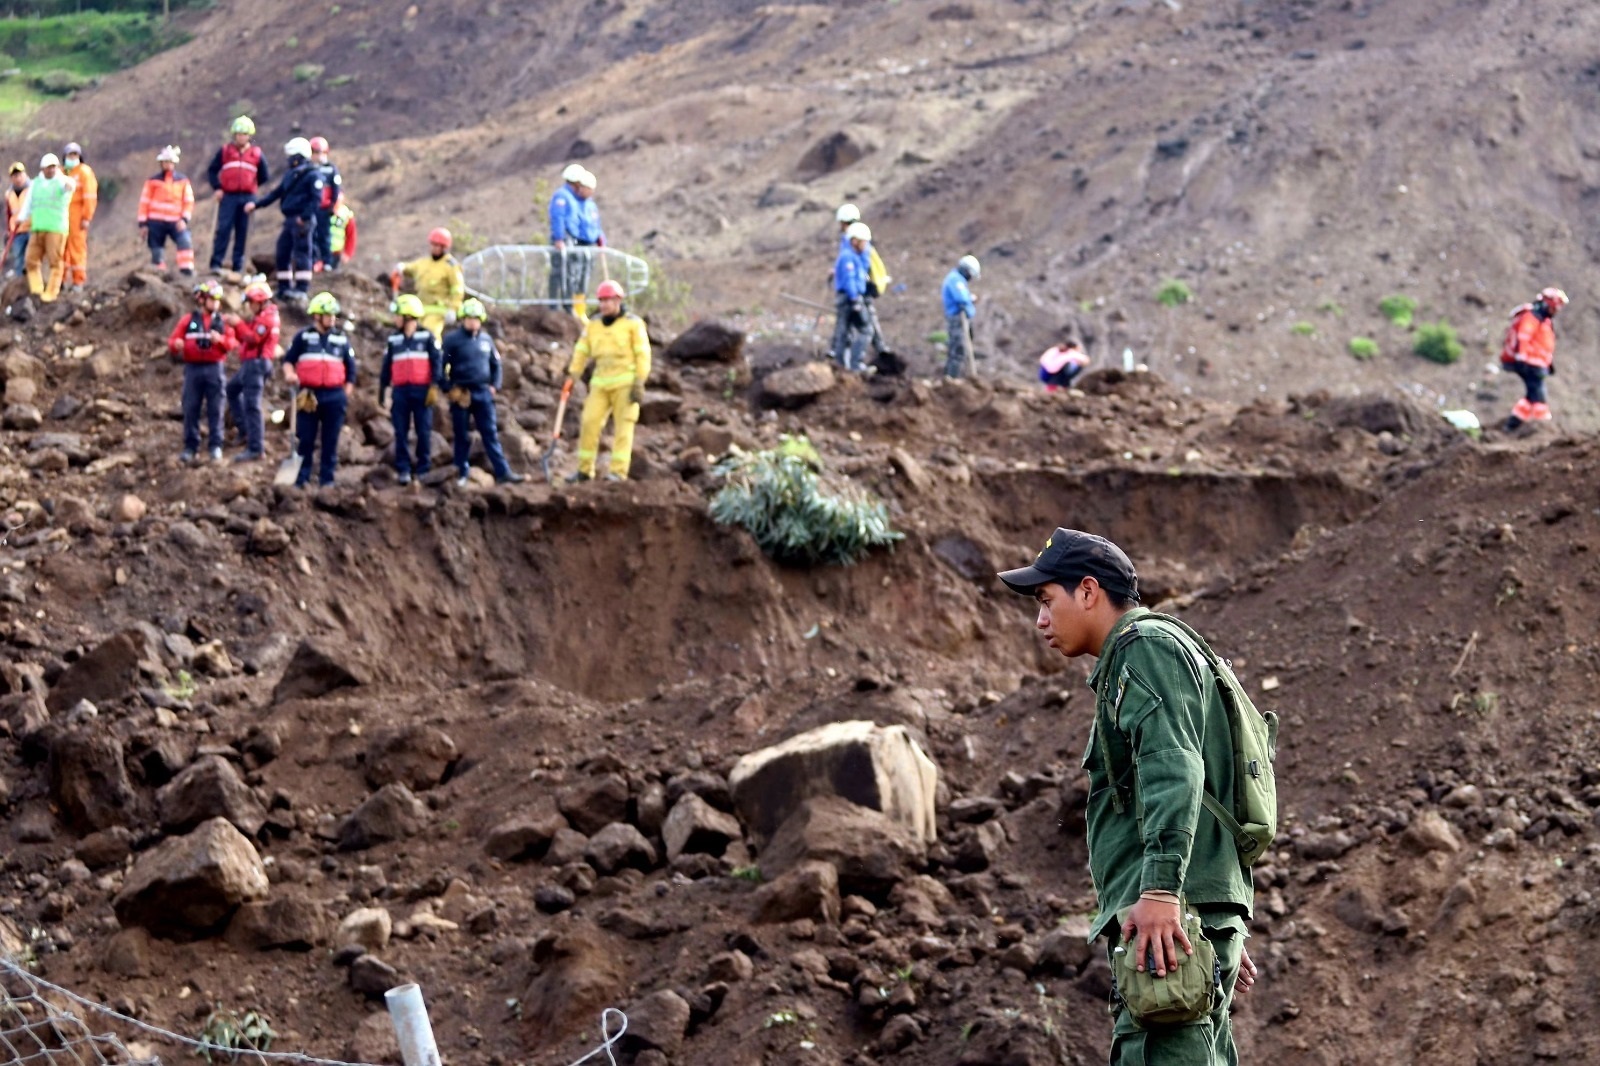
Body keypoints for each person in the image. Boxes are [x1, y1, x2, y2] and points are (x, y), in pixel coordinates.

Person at [997, 528, 1258, 1065]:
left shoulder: (1143, 650)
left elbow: (1175, 771)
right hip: (1189, 917)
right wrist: (1209, 915)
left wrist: (1165, 895)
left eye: (1047, 601)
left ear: (1088, 592)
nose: (1040, 620)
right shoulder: (1154, 652)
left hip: (1172, 918)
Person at [566, 278, 650, 482]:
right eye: (601, 300)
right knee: (589, 422)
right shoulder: (593, 325)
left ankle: (618, 472)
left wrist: (640, 380)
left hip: (626, 383)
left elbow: (643, 354)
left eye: (608, 300)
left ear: (618, 301)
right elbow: (581, 350)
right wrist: (573, 375)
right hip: (600, 383)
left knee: (624, 427)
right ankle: (585, 471)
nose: (604, 304)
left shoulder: (633, 324)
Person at [440, 298, 523, 486]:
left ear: (481, 319)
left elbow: (496, 365)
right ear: (463, 319)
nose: (472, 321)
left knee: (490, 433)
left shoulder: (486, 340)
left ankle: (503, 472)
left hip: (483, 393)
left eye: (476, 318)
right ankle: (460, 472)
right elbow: (441, 365)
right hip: (461, 393)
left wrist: (495, 385)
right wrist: (447, 387)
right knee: (461, 435)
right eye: (469, 318)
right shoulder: (453, 341)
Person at [280, 291, 356, 488]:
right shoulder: (303, 338)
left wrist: (344, 396)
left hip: (334, 396)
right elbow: (288, 361)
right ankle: (301, 478)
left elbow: (351, 371)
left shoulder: (341, 339)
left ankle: (327, 479)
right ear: (317, 315)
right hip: (308, 395)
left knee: (330, 441)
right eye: (328, 315)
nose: (332, 319)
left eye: (333, 315)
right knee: (305, 439)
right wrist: (290, 375)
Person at [245, 137, 324, 305]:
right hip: (289, 220)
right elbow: (276, 193)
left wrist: (304, 217)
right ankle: (284, 287)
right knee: (282, 253)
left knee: (302, 254)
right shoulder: (290, 175)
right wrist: (257, 205)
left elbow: (316, 200)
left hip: (302, 221)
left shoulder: (313, 175)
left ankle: (301, 288)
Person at [167, 280, 237, 463]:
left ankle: (216, 446)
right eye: (212, 299)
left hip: (215, 368)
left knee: (216, 408)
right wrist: (177, 345)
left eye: (218, 300)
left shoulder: (222, 322)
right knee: (190, 408)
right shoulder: (188, 320)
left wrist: (220, 340)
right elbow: (172, 341)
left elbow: (232, 344)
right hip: (193, 369)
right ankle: (191, 447)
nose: (216, 303)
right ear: (202, 300)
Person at [378, 294, 441, 485]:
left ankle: (423, 468)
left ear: (408, 317)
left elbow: (437, 362)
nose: (395, 319)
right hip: (401, 391)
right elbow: (386, 366)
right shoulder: (393, 340)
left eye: (398, 315)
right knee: (400, 431)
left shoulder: (427, 337)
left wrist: (434, 385)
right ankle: (403, 468)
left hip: (422, 390)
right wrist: (382, 389)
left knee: (423, 430)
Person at [833, 204, 896, 365]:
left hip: (856, 293)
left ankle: (848, 361)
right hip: (853, 294)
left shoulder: (853, 246)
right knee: (861, 328)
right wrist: (855, 297)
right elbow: (851, 276)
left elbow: (856, 272)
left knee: (850, 329)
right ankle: (854, 362)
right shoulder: (851, 251)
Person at [225, 280, 280, 462]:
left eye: (251, 302)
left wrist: (238, 324)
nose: (249, 306)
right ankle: (245, 431)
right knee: (231, 390)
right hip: (250, 364)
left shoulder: (267, 318)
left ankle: (256, 447)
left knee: (252, 405)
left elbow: (253, 337)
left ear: (260, 301)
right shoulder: (262, 316)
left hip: (256, 365)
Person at [207, 116, 269, 274]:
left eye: (245, 134)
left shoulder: (256, 154)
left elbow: (264, 175)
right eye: (239, 134)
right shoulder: (225, 151)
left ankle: (238, 266)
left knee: (243, 231)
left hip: (248, 198)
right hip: (228, 196)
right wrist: (217, 188)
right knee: (223, 230)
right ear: (234, 135)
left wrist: (252, 186)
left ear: (249, 135)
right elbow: (212, 170)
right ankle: (216, 263)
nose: (241, 137)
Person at [1500, 287, 1568, 431]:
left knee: (1531, 394)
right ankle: (1543, 425)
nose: (1555, 312)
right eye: (1554, 308)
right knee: (1539, 394)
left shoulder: (1544, 321)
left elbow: (1543, 344)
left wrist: (1548, 363)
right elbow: (1523, 337)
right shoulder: (1531, 317)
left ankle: (1512, 424)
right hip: (1529, 363)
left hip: (1537, 363)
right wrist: (1522, 358)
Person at [548, 164, 603, 312]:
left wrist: (599, 239)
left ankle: (572, 306)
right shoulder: (562, 196)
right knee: (560, 272)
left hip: (577, 240)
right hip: (566, 239)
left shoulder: (582, 201)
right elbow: (558, 218)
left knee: (574, 275)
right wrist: (559, 238)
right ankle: (554, 306)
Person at [137, 146, 196, 276]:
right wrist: (143, 224)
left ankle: (186, 271)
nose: (167, 165)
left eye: (170, 162)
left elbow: (188, 201)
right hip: (155, 222)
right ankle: (159, 272)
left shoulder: (182, 181)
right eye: (165, 162)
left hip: (176, 221)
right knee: (156, 249)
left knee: (184, 241)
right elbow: (144, 202)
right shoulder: (153, 181)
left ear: (174, 163)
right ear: (161, 163)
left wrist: (184, 219)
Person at [22, 154, 72, 304]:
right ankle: (37, 290)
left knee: (55, 261)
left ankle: (51, 293)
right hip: (38, 228)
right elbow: (28, 203)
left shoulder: (62, 181)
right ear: (42, 168)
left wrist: (67, 186)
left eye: (54, 167)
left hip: (56, 228)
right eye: (49, 167)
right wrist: (21, 218)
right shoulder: (35, 183)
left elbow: (68, 186)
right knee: (31, 260)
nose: (52, 170)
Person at [394, 228, 463, 336]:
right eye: (433, 245)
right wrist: (402, 267)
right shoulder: (424, 262)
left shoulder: (451, 266)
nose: (434, 248)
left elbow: (457, 289)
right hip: (419, 310)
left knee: (431, 335)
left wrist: (453, 309)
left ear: (444, 247)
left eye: (438, 245)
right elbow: (412, 268)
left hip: (438, 311)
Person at [830, 222, 872, 372]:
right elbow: (850, 279)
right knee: (865, 330)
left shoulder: (853, 255)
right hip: (850, 299)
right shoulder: (849, 257)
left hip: (848, 298)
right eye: (864, 242)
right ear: (855, 241)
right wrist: (855, 298)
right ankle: (855, 364)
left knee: (844, 332)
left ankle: (841, 365)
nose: (866, 245)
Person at [60, 142, 96, 291]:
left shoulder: (84, 172)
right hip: (61, 216)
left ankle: (78, 281)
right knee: (60, 249)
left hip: (77, 215)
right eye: (70, 155)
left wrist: (86, 217)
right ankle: (60, 281)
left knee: (77, 249)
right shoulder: (61, 172)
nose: (72, 157)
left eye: (75, 155)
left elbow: (89, 196)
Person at [942, 254, 980, 379]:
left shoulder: (956, 279)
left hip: (957, 317)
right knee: (958, 350)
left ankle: (952, 377)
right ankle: (952, 379)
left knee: (956, 349)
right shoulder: (955, 280)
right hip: (957, 319)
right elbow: (962, 299)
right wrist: (970, 307)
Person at [308, 136, 342, 271]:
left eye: (321, 152)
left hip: (325, 208)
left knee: (325, 235)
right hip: (311, 208)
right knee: (312, 235)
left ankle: (327, 261)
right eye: (315, 152)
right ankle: (314, 261)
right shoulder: (308, 169)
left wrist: (333, 205)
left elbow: (336, 189)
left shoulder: (331, 169)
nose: (318, 156)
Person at [4, 163, 29, 279]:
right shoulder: (9, 194)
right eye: (14, 176)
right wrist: (9, 230)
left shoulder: (33, 188)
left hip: (32, 228)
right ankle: (19, 282)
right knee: (18, 258)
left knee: (32, 257)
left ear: (24, 174)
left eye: (19, 175)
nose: (18, 178)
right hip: (17, 231)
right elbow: (9, 214)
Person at [327, 200, 356, 270]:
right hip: (321, 251)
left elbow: (351, 235)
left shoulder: (346, 214)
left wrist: (348, 252)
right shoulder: (323, 209)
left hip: (336, 253)